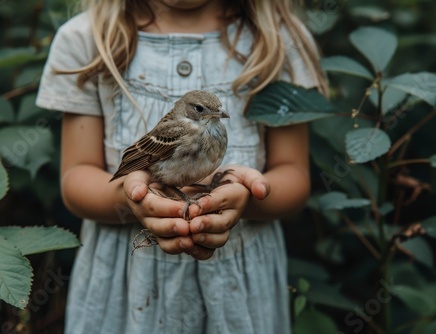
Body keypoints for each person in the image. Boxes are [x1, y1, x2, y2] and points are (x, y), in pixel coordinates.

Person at [36, 0, 328, 333]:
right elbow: (79, 179)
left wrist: (245, 197)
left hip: (241, 286)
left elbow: (295, 176)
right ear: (191, 111)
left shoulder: (280, 39)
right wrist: (133, 199)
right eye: (204, 111)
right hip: (126, 284)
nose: (214, 117)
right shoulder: (84, 40)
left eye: (216, 111)